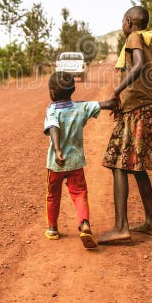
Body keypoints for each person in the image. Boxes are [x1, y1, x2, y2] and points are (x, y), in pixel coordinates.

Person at [99, 6, 152, 244]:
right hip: (148, 108)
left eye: (123, 20)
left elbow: (139, 66)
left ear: (129, 22)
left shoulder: (134, 38)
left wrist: (117, 91)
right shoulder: (149, 42)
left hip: (137, 111)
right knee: (137, 167)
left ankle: (121, 227)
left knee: (118, 164)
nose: (122, 25)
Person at [44, 71, 117, 249]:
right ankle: (84, 225)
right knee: (79, 194)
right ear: (72, 90)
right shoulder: (81, 107)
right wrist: (115, 100)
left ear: (52, 93)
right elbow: (104, 104)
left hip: (56, 163)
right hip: (76, 163)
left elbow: (53, 127)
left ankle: (52, 228)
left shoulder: (52, 110)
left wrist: (58, 150)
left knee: (53, 195)